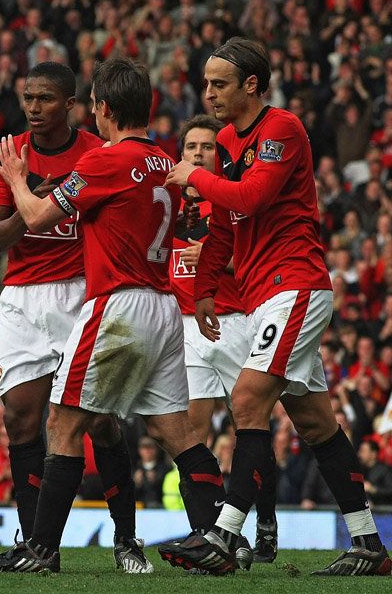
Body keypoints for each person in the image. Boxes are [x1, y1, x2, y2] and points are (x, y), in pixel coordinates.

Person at [0, 57, 225, 574]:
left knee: (64, 424)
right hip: (162, 304)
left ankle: (41, 549)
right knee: (174, 430)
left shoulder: (101, 161)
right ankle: (215, 536)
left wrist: (21, 180)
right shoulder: (163, 160)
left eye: (93, 105)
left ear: (103, 108)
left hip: (117, 302)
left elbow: (38, 216)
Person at [160, 37, 390, 576]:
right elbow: (223, 221)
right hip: (266, 294)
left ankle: (223, 537)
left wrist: (192, 175)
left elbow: (252, 198)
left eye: (220, 83)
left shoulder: (281, 128)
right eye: (207, 82)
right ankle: (369, 545)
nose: (209, 92)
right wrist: (206, 289)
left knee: (246, 401)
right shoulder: (223, 139)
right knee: (315, 424)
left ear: (252, 85)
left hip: (296, 286)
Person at [0, 61, 155, 574]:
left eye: (45, 99)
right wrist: (23, 196)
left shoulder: (99, 153)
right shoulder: (6, 155)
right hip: (22, 298)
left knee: (98, 422)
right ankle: (36, 545)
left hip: (83, 291)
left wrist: (35, 197)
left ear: (72, 104)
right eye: (27, 98)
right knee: (20, 418)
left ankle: (126, 538)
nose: (33, 108)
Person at [170, 114, 279, 563]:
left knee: (248, 426)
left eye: (208, 147)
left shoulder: (232, 200)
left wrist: (217, 260)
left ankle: (266, 519)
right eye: (191, 146)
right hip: (185, 327)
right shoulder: (167, 202)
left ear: (222, 154)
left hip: (235, 320)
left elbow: (255, 258)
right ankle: (209, 529)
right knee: (191, 433)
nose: (199, 153)